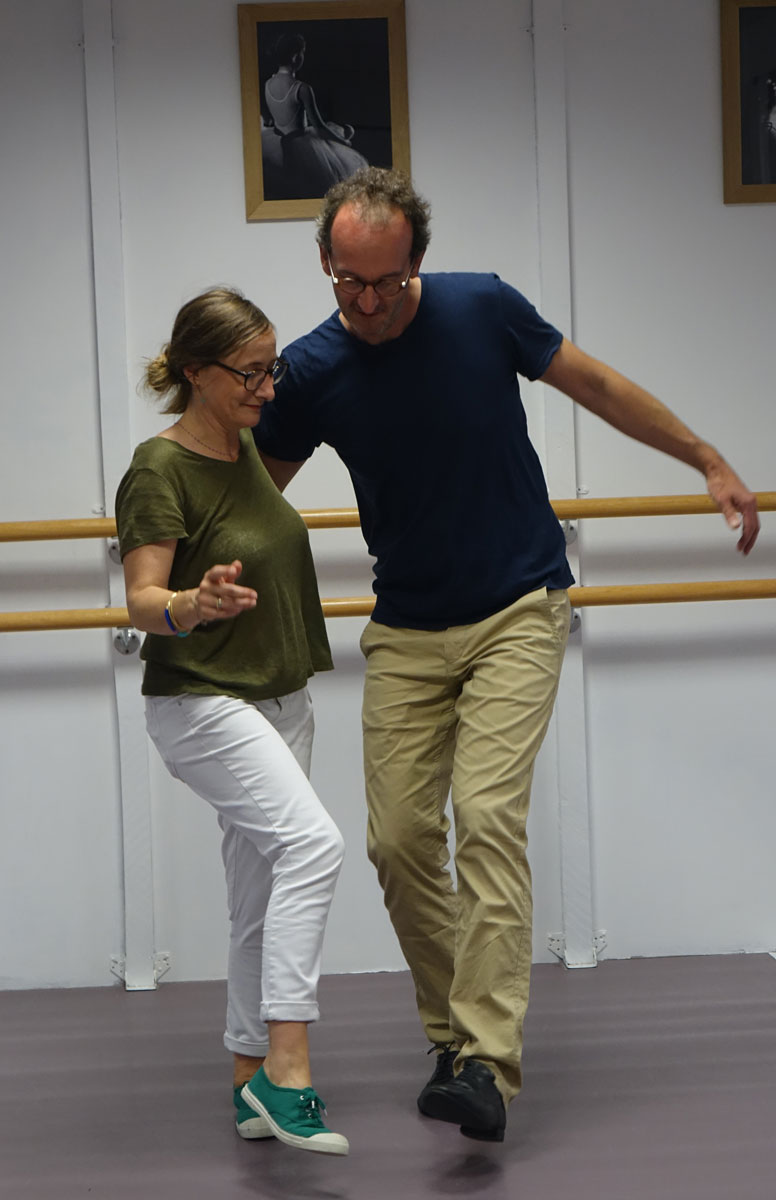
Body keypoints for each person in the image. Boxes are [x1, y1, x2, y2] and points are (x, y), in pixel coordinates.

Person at [252, 168, 760, 1145]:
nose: (365, 303)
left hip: (518, 606)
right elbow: (255, 499)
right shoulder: (313, 370)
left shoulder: (480, 308)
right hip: (405, 626)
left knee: (484, 814)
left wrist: (703, 458)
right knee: (396, 841)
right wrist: (189, 579)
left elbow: (597, 385)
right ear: (325, 263)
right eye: (346, 282)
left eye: (385, 284)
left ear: (416, 266)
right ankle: (454, 1046)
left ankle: (484, 1061)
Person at [114, 287, 348, 1156]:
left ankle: (249, 1077)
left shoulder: (246, 447)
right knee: (313, 848)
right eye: (250, 372)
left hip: (280, 698)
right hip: (203, 700)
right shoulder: (158, 466)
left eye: (271, 367)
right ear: (195, 373)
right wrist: (191, 602)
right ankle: (290, 1070)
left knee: (259, 895)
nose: (268, 386)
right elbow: (141, 599)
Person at [261, 33, 368, 200]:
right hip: (300, 144)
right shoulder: (302, 88)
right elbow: (319, 127)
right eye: (303, 52)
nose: (303, 56)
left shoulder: (267, 84)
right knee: (343, 137)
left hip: (277, 140)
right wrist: (342, 142)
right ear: (295, 57)